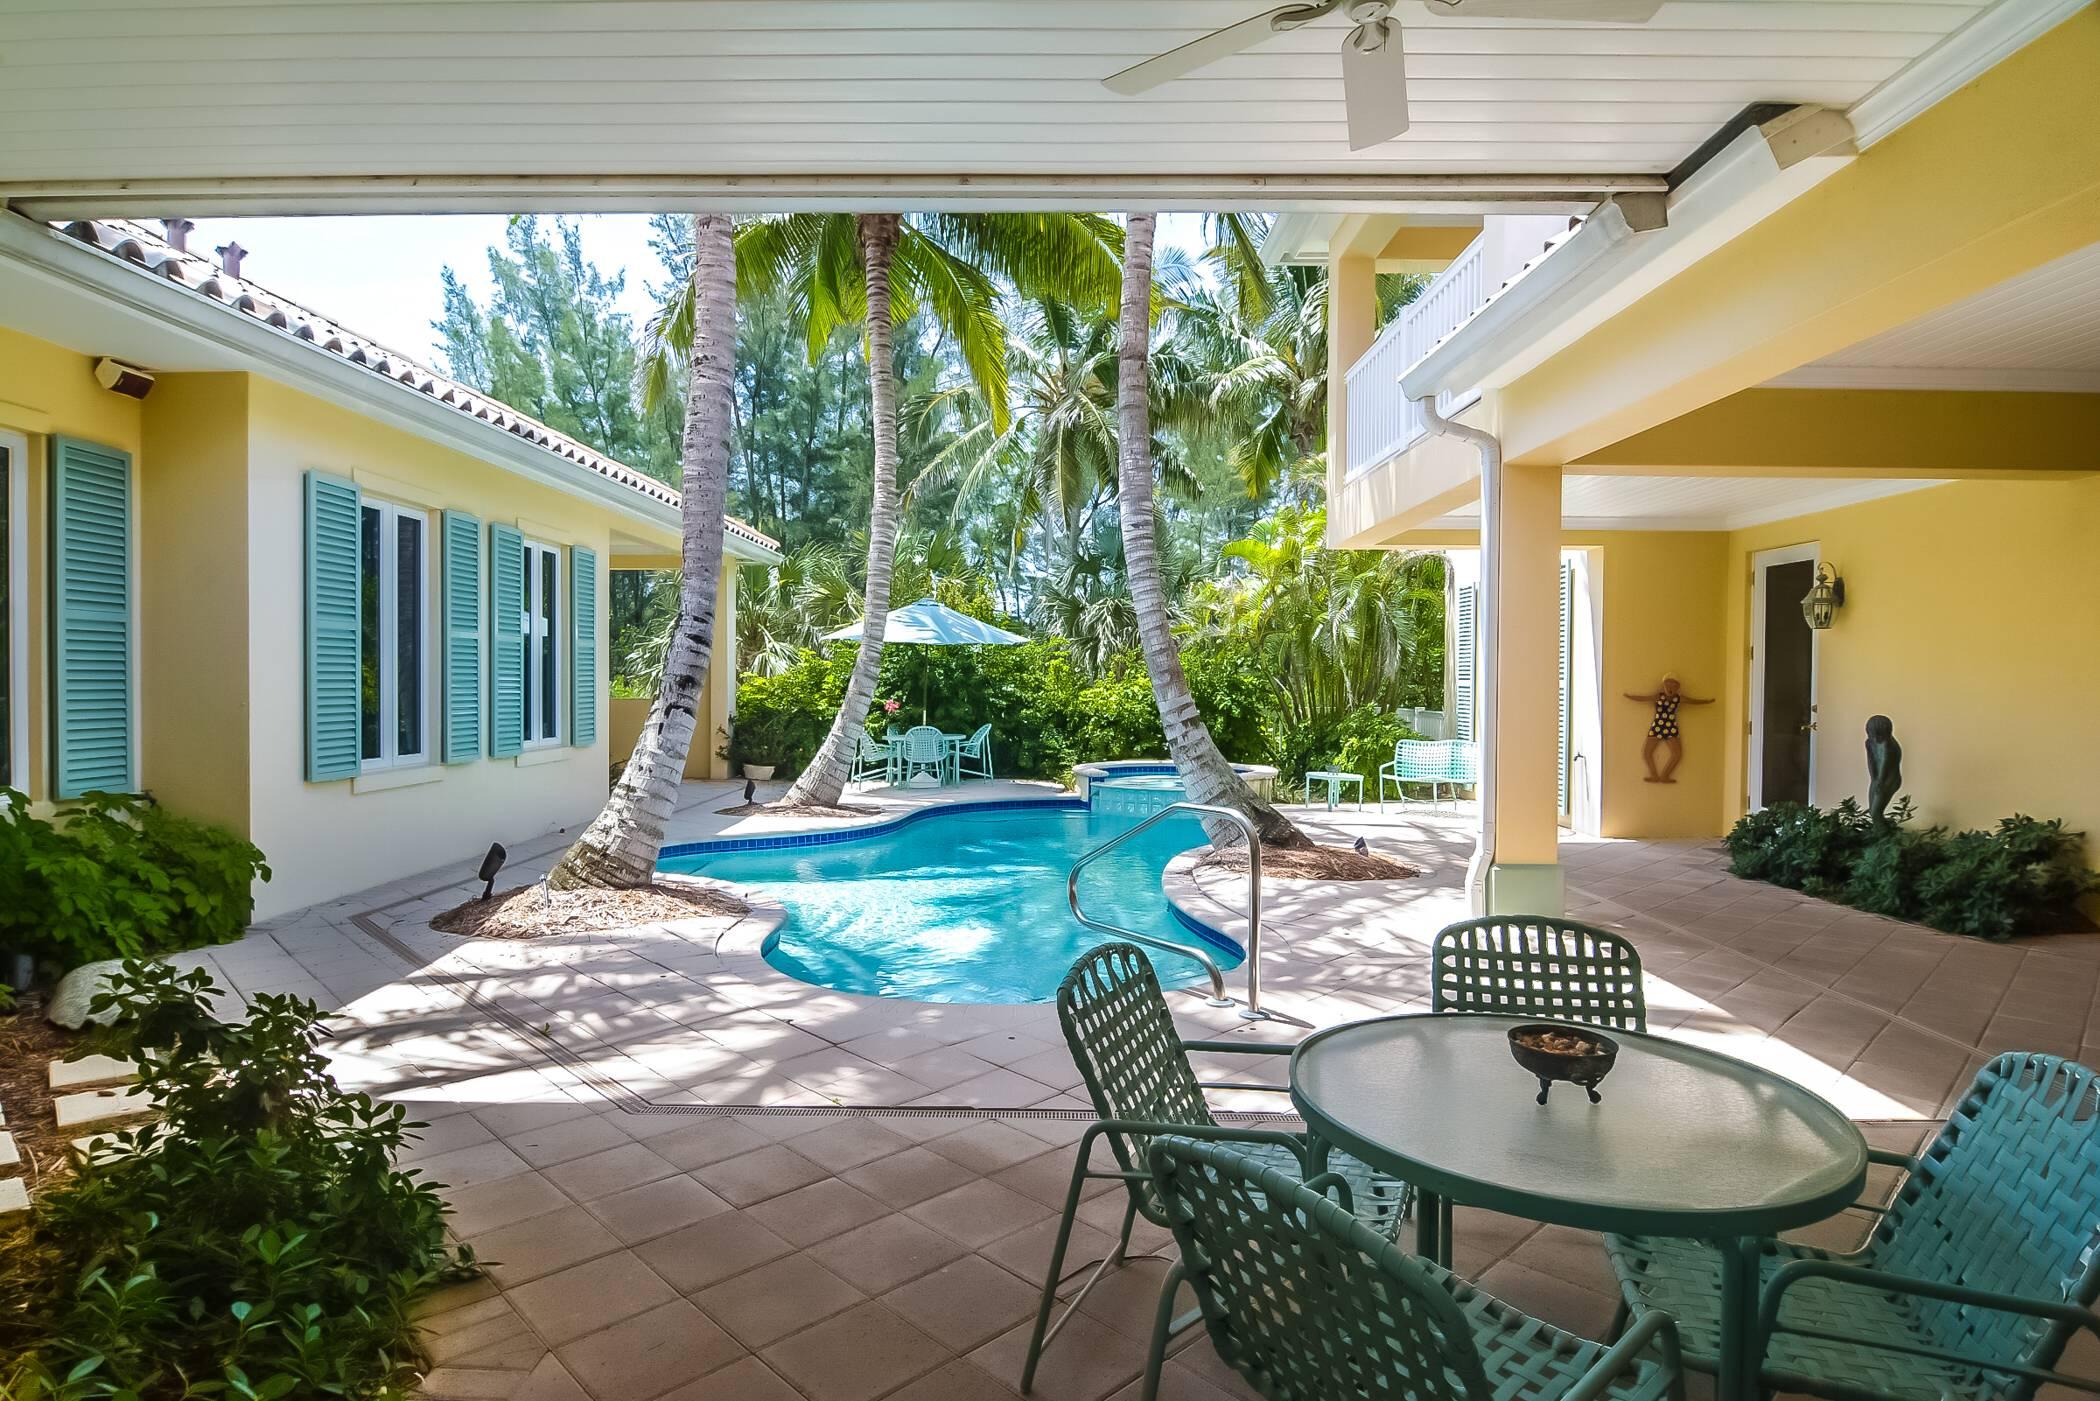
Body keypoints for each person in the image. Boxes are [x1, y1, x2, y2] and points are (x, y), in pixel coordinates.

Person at [1624, 674, 1713, 784]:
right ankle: (1654, 775)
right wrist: (1630, 696)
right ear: (1663, 686)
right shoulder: (1658, 696)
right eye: (1668, 684)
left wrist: (1707, 701)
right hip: (1657, 727)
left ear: (1678, 687)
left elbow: (1694, 701)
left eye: (1674, 685)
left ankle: (1665, 776)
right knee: (1647, 752)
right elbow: (1643, 698)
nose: (1670, 687)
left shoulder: (1679, 698)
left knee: (1677, 753)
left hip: (1671, 728)